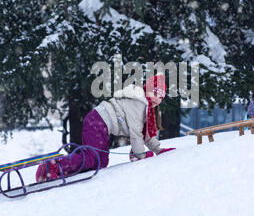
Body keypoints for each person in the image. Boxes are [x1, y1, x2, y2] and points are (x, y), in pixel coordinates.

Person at [36, 74, 175, 182]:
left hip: (99, 123)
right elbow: (136, 134)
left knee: (101, 162)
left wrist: (159, 150)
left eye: (161, 97)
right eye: (156, 93)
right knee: (93, 158)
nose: (158, 99)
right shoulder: (139, 104)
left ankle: (65, 170)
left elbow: (145, 134)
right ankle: (51, 167)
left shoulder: (146, 108)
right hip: (98, 121)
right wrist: (140, 156)